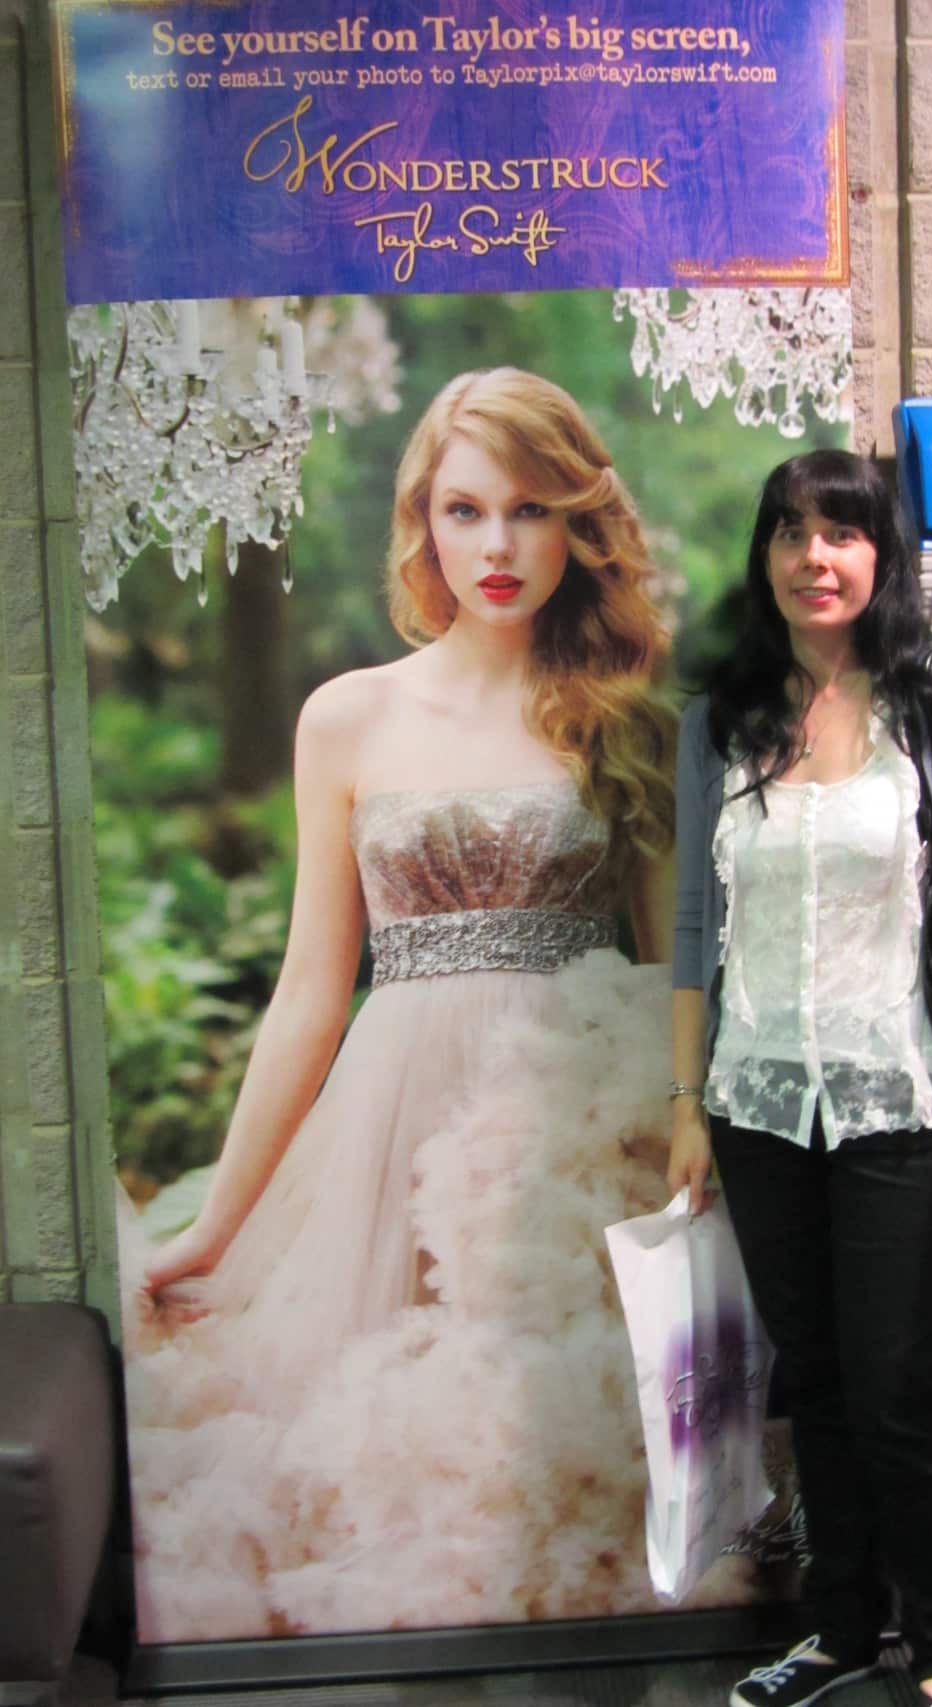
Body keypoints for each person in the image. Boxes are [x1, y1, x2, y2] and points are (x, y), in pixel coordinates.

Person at [116, 367, 691, 1642]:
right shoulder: (349, 716)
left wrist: (694, 1144)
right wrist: (218, 1222)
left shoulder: (626, 719)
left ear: (577, 525)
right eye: (466, 509)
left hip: (570, 1135)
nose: (498, 546)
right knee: (371, 1473)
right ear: (422, 523)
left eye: (532, 511)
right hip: (389, 1128)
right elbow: (312, 992)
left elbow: (672, 967)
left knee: (559, 1478)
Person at [668, 450, 932, 1707]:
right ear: (762, 553)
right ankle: (839, 1630)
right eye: (787, 533)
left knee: (892, 1390)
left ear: (879, 554)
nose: (810, 559)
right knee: (813, 1381)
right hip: (760, 1100)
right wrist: (685, 1105)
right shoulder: (722, 716)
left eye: (839, 534)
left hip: (900, 1096)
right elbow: (688, 931)